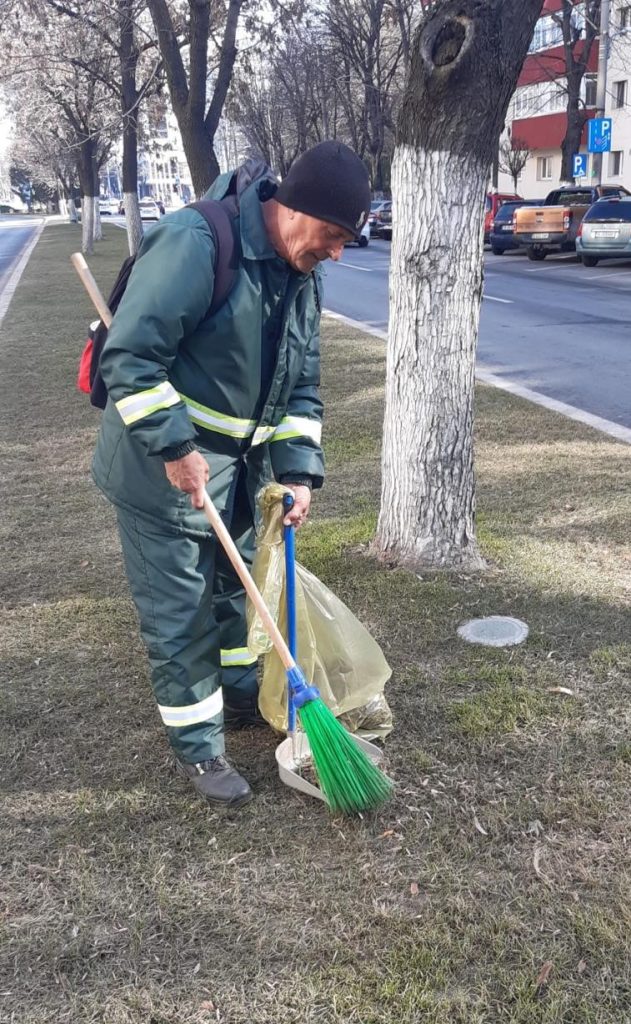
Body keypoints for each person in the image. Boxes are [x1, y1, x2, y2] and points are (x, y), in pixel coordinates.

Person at [92, 141, 371, 809]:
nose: (336, 253)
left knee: (231, 595)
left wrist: (297, 473)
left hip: (240, 476)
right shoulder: (195, 243)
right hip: (160, 473)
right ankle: (199, 746)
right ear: (295, 209)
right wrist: (174, 447)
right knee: (180, 613)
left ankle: (238, 694)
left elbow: (301, 385)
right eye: (333, 235)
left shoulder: (301, 276)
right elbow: (130, 359)